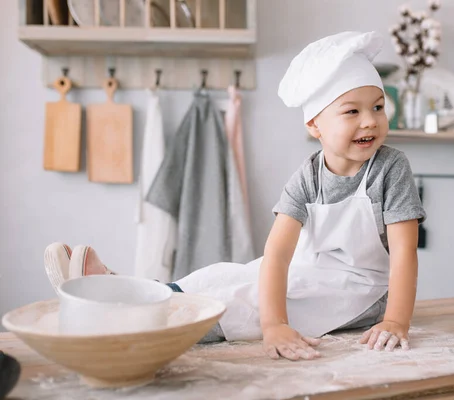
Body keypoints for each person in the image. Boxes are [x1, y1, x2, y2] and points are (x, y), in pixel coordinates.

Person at [43, 31, 426, 362]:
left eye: (378, 107)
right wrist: (275, 327)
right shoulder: (307, 177)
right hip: (311, 269)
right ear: (315, 126)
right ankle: (126, 293)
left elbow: (405, 253)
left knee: (245, 302)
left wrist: (395, 320)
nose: (370, 120)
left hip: (363, 290)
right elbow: (276, 254)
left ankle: (123, 312)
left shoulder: (390, 169)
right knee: (224, 275)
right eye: (352, 111)